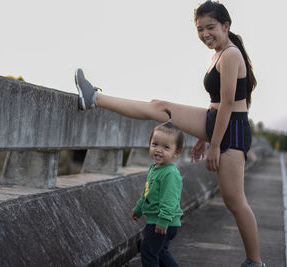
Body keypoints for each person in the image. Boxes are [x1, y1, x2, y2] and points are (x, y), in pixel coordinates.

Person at [75, 1, 264, 266]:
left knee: (235, 201)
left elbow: (230, 105)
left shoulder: (231, 54)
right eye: (200, 29)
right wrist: (203, 136)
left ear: (226, 26)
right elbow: (218, 104)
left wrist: (213, 144)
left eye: (210, 27)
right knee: (159, 106)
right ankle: (93, 96)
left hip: (231, 131)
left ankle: (255, 262)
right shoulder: (218, 54)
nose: (205, 34)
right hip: (217, 121)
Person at [130, 109, 184, 267]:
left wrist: (163, 220)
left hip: (161, 221)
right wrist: (139, 208)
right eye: (155, 144)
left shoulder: (170, 173)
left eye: (166, 147)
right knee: (160, 252)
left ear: (177, 152)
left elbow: (170, 199)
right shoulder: (155, 168)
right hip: (161, 220)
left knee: (149, 253)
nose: (158, 150)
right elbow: (148, 193)